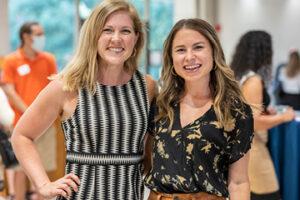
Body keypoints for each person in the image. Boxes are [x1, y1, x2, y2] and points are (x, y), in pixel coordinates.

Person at [11, 0, 156, 199]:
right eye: (107, 30)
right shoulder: (67, 86)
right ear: (93, 35)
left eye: (125, 31)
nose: (116, 39)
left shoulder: (146, 87)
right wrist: (43, 184)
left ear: (136, 38)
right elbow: (21, 136)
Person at [144, 18, 254, 200]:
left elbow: (239, 182)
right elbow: (143, 159)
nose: (189, 57)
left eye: (198, 47)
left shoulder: (235, 112)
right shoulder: (161, 105)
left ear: (213, 52)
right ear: (171, 58)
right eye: (180, 50)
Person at [230, 30, 295, 200]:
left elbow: (244, 112)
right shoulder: (253, 80)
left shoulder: (238, 76)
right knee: (269, 194)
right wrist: (283, 117)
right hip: (254, 149)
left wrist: (265, 111)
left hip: (240, 147)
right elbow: (253, 122)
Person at [1, 21, 58, 200]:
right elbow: (9, 91)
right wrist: (30, 112)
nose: (42, 38)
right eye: (38, 34)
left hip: (47, 124)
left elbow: (54, 87)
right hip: (20, 124)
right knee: (20, 170)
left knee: (44, 168)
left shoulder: (48, 59)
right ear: (26, 36)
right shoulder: (11, 60)